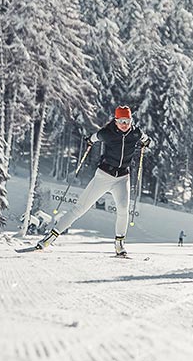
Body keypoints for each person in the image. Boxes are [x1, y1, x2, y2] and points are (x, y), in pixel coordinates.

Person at [31, 105, 151, 257]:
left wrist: (146, 142)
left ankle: (119, 244)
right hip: (104, 176)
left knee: (123, 209)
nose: (125, 124)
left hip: (122, 178)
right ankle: (50, 237)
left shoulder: (136, 133)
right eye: (121, 121)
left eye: (127, 121)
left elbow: (145, 139)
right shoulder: (107, 133)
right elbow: (94, 137)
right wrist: (89, 141)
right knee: (80, 208)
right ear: (115, 121)